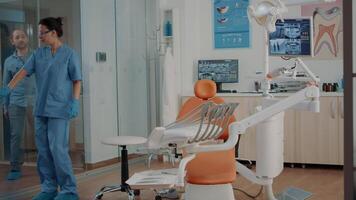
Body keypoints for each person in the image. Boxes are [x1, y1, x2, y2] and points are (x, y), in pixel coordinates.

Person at [0, 17, 81, 200]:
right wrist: (7, 89)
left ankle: (69, 190)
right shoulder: (38, 54)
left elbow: (77, 80)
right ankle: (49, 188)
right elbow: (22, 73)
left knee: (58, 150)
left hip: (60, 109)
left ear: (53, 33)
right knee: (43, 151)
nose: (39, 37)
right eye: (38, 33)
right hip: (41, 109)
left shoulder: (69, 54)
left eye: (42, 33)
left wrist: (74, 102)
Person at [3, 29, 32, 180]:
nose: (20, 39)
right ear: (12, 42)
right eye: (17, 37)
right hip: (15, 102)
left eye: (23, 36)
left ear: (27, 39)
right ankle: (15, 168)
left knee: (42, 134)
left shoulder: (36, 57)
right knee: (16, 135)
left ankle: (47, 165)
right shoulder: (9, 61)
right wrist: (5, 105)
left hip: (35, 102)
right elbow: (6, 84)